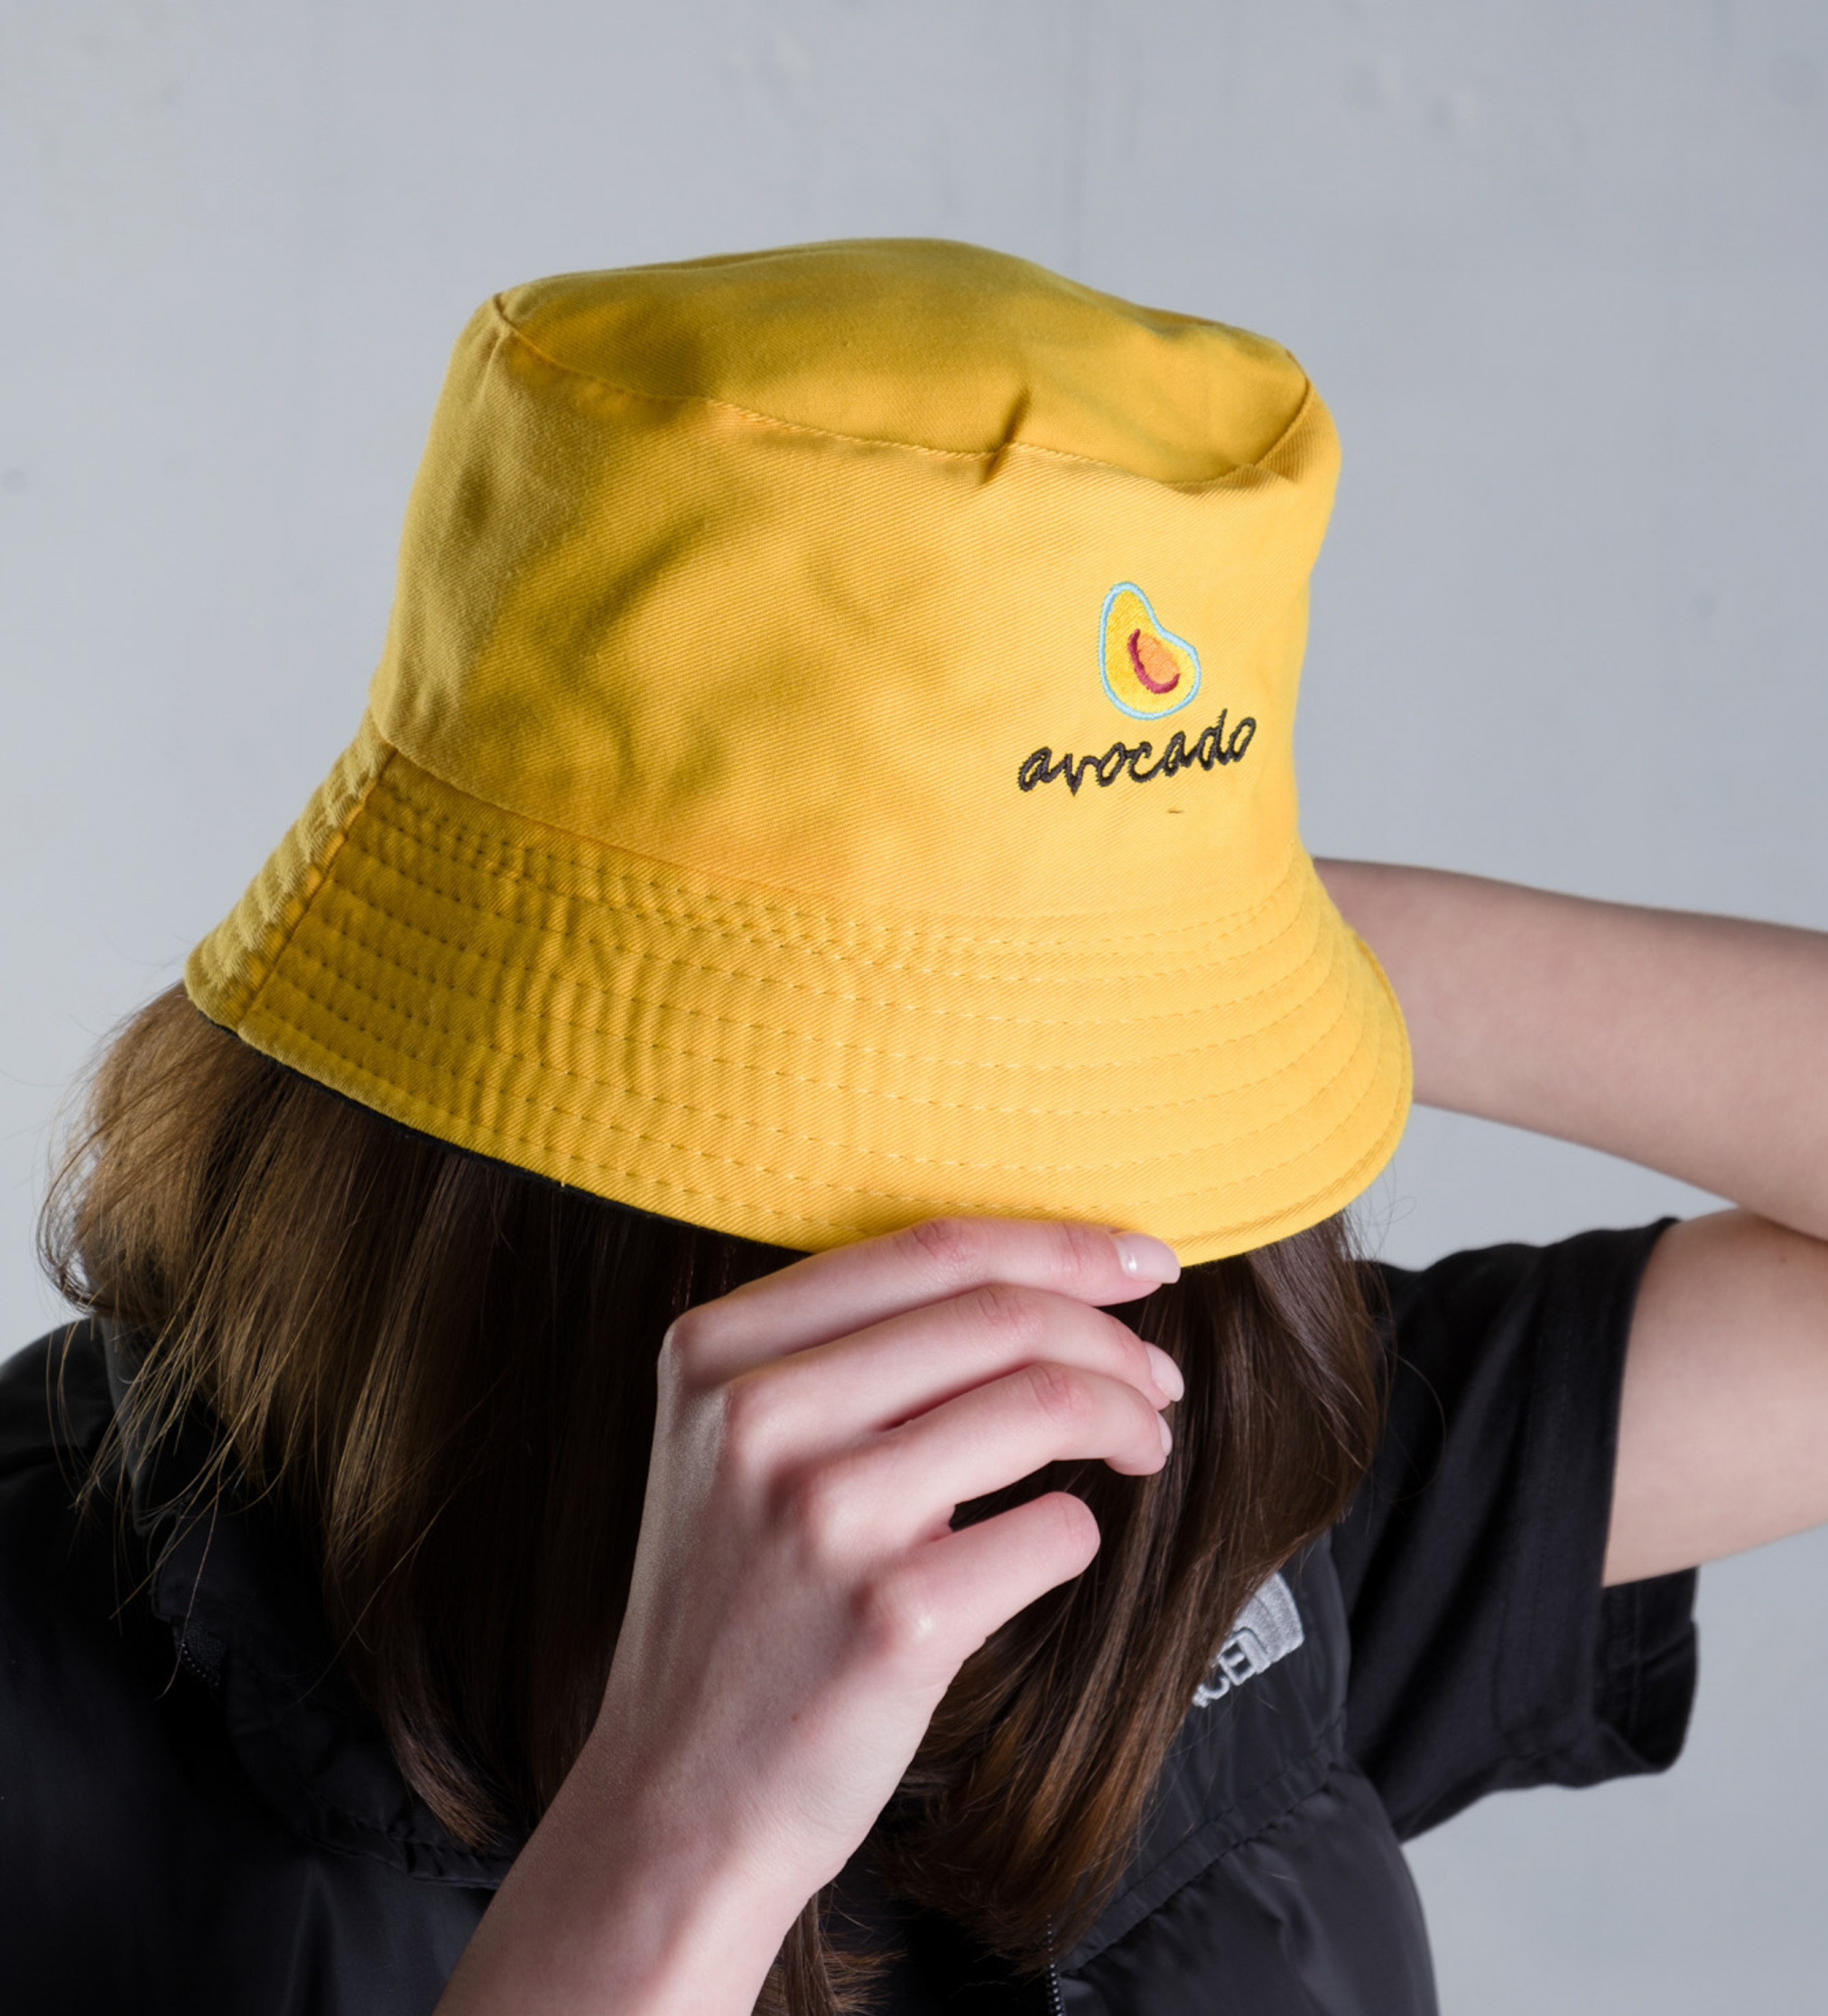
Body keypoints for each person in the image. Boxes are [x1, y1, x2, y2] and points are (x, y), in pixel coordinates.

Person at [5, 238, 1828, 2016]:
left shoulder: (1208, 1468)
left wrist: (1172, 907)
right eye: (938, 1060)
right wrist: (679, 1840)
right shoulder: (55, 1673)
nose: (1069, 1207)